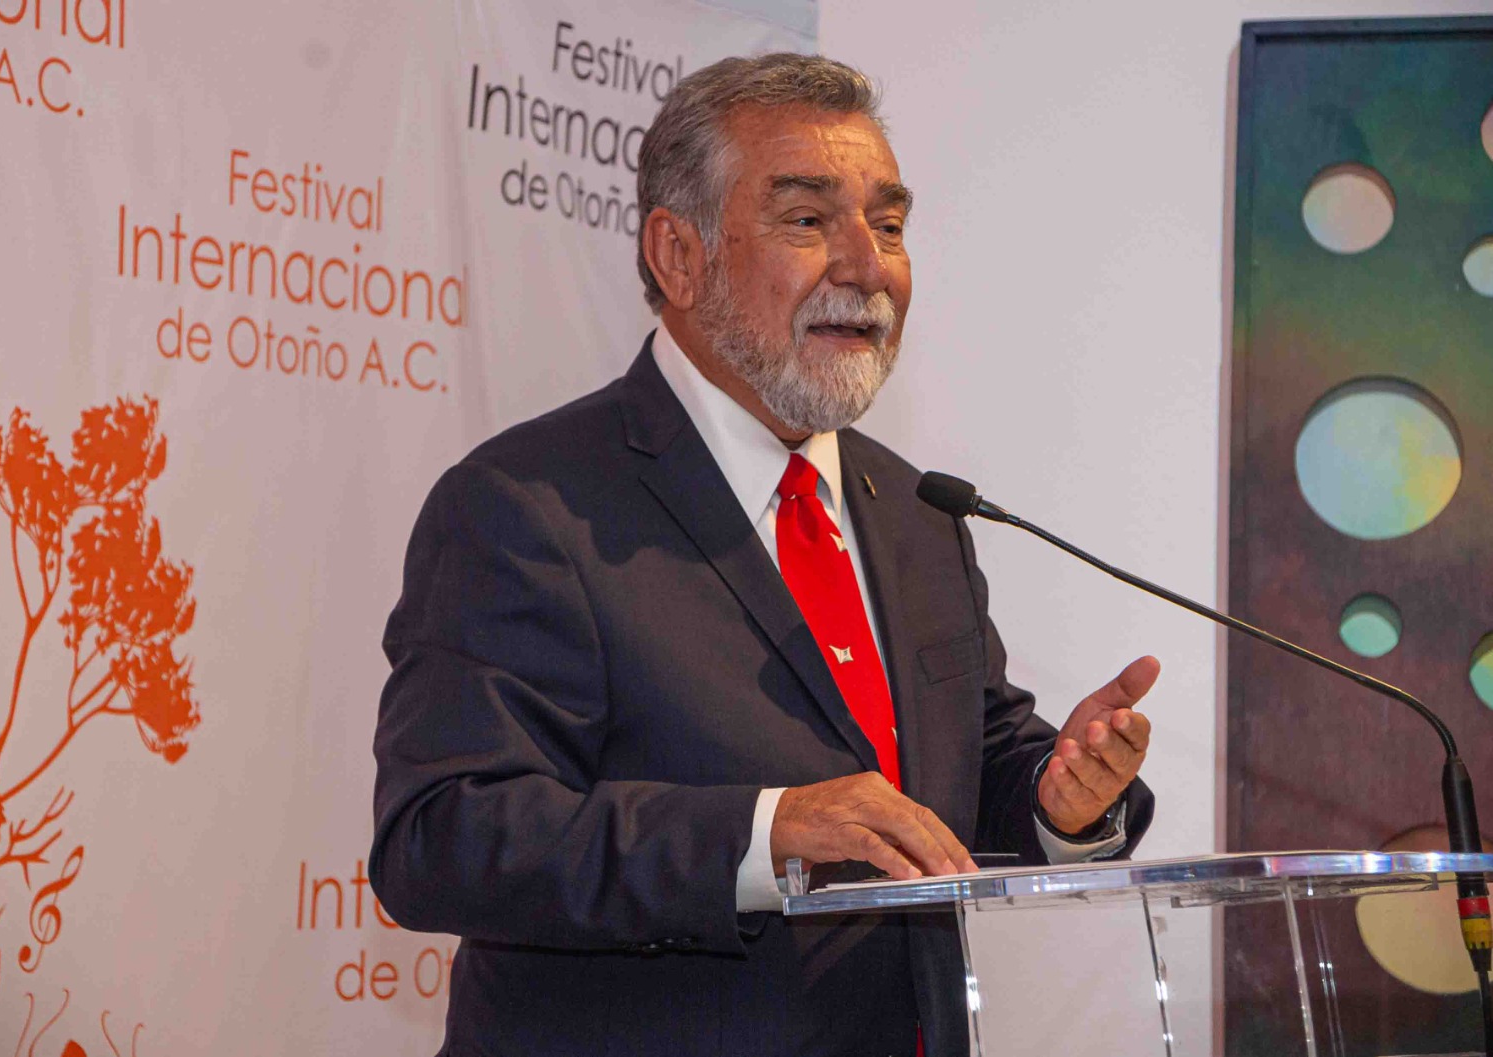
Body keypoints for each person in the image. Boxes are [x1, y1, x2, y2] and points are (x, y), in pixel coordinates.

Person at [370, 53, 1158, 1057]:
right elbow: (443, 836)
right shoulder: (529, 505)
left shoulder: (916, 512)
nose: (866, 266)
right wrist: (761, 834)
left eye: (888, 226)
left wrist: (1057, 796)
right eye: (808, 219)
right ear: (678, 254)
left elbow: (960, 760)